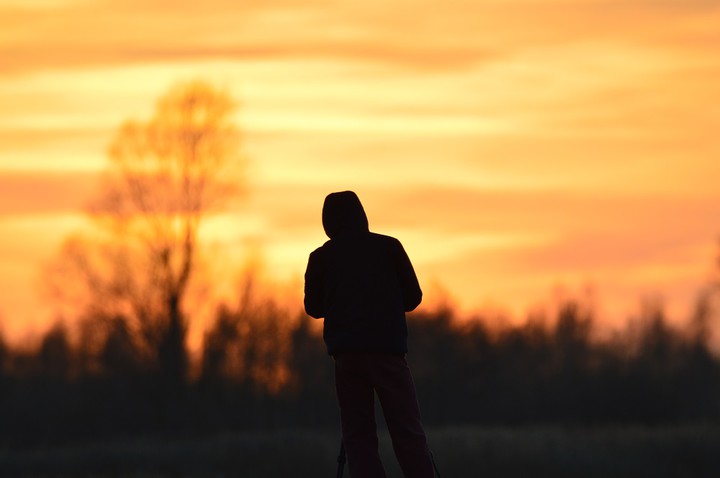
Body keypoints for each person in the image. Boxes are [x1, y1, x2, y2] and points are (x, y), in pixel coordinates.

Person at [304, 191, 434, 478]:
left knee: (358, 437)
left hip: (347, 358)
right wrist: (382, 302)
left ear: (327, 222)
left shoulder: (320, 258)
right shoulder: (389, 247)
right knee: (407, 431)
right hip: (388, 353)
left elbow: (312, 307)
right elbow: (413, 297)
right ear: (361, 215)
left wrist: (343, 303)